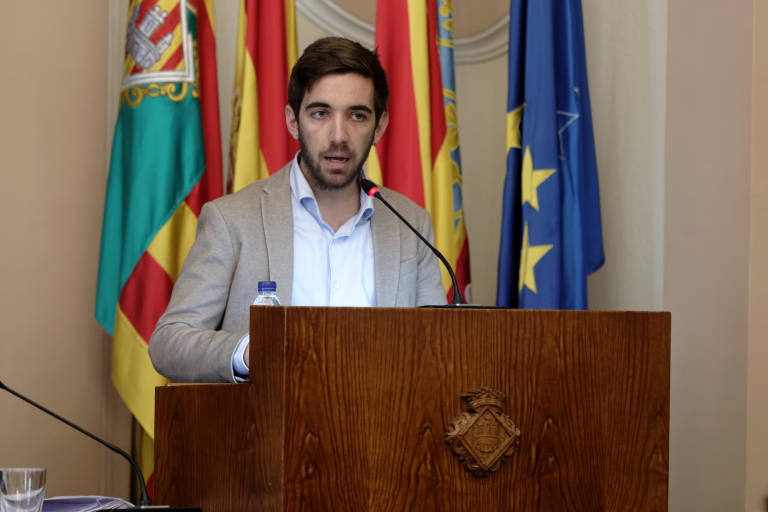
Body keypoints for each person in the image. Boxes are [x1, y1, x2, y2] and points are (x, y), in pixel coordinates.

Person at [149, 37, 446, 383]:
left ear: (379, 126)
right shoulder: (232, 220)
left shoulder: (411, 225)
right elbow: (169, 342)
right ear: (293, 122)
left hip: (382, 431)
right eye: (320, 113)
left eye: (357, 116)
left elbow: (437, 349)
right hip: (267, 433)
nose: (338, 135)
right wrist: (249, 351)